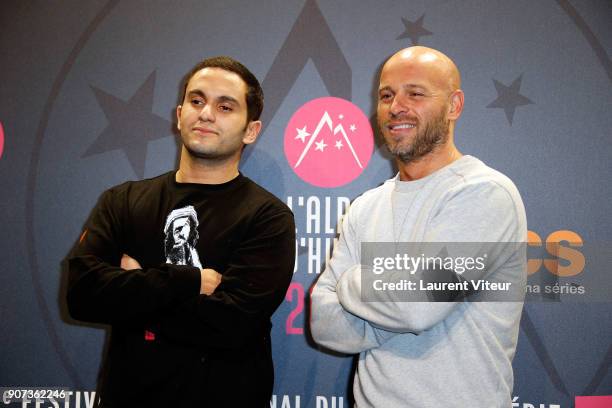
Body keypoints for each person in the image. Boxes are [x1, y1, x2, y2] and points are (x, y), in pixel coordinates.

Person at [66, 56, 295, 407]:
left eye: (225, 106)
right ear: (179, 114)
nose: (205, 114)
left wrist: (136, 285)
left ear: (251, 130)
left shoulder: (268, 217)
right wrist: (186, 282)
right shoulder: (122, 200)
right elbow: (82, 294)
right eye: (197, 100)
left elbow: (231, 326)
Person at [310, 46, 527, 407]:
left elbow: (417, 304)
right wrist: (395, 304)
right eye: (386, 95)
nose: (396, 107)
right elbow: (323, 321)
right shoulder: (365, 207)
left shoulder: (484, 193)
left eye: (416, 93)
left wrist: (352, 281)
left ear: (454, 105)